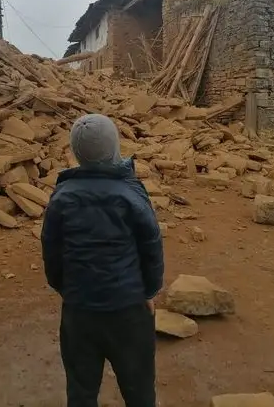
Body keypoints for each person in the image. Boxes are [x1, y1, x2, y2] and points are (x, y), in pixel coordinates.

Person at [41, 113, 164, 407]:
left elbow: (51, 248)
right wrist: (149, 292)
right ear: (114, 148)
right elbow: (151, 246)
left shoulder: (62, 197)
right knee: (139, 391)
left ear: (76, 153)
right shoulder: (131, 193)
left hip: (79, 313)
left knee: (81, 391)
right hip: (129, 311)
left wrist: (65, 289)